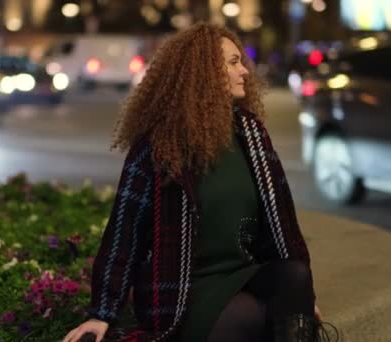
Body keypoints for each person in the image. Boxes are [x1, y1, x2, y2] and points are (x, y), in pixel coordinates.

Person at [63, 23, 335, 342]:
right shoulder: (158, 146)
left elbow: (284, 224)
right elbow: (124, 235)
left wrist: (302, 298)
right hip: (183, 286)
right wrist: (101, 313)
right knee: (248, 317)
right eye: (233, 62)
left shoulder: (252, 134)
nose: (244, 71)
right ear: (204, 71)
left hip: (241, 273)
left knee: (295, 276)